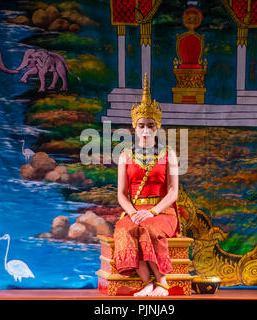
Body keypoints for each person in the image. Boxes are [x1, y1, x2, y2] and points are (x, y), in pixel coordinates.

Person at [113, 74, 180, 297]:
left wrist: (152, 211)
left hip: (162, 212)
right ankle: (147, 283)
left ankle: (162, 282)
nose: (145, 130)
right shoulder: (124, 155)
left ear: (157, 127)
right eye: (141, 125)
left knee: (148, 228)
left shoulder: (168, 153)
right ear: (134, 126)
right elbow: (121, 194)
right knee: (127, 229)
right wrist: (132, 213)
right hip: (134, 211)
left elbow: (173, 192)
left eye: (150, 125)